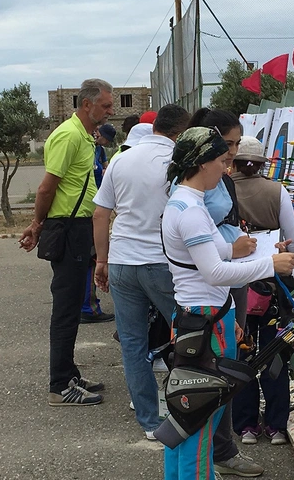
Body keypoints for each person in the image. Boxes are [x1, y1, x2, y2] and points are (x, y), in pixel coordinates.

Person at [161, 126, 294, 480]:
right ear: (202, 163)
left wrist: (269, 251)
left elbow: (215, 254)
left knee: (187, 417)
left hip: (204, 317)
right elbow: (214, 272)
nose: (226, 170)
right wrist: (270, 265)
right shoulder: (191, 210)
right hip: (205, 320)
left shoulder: (184, 202)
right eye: (221, 161)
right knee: (201, 419)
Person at [92, 104, 192, 439]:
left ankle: (150, 422)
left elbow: (101, 214)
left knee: (133, 344)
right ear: (179, 133)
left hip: (122, 260)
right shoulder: (178, 163)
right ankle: (188, 411)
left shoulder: (120, 158)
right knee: (190, 338)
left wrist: (102, 261)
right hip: (164, 263)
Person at [18, 78, 114, 406]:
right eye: (105, 105)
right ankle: (60, 385)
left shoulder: (85, 137)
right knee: (66, 307)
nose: (110, 110)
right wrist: (37, 224)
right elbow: (47, 188)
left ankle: (69, 373)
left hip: (80, 225)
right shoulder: (68, 135)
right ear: (86, 105)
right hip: (68, 227)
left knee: (73, 306)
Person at [186, 108, 263, 478]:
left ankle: (220, 450)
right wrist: (266, 264)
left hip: (231, 281)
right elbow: (211, 261)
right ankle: (209, 456)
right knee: (210, 373)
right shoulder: (188, 196)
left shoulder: (220, 178)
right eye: (226, 145)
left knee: (227, 367)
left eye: (234, 144)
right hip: (213, 290)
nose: (232, 153)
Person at [230, 136, 294, 445]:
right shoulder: (277, 191)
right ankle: (276, 426)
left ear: (233, 161)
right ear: (263, 164)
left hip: (236, 283)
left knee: (242, 351)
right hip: (273, 285)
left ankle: (246, 425)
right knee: (275, 352)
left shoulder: (221, 189)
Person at [80, 123, 118, 324]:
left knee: (86, 260)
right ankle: (88, 308)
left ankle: (83, 306)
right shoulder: (87, 148)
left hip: (92, 204)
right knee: (92, 261)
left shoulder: (99, 150)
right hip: (90, 207)